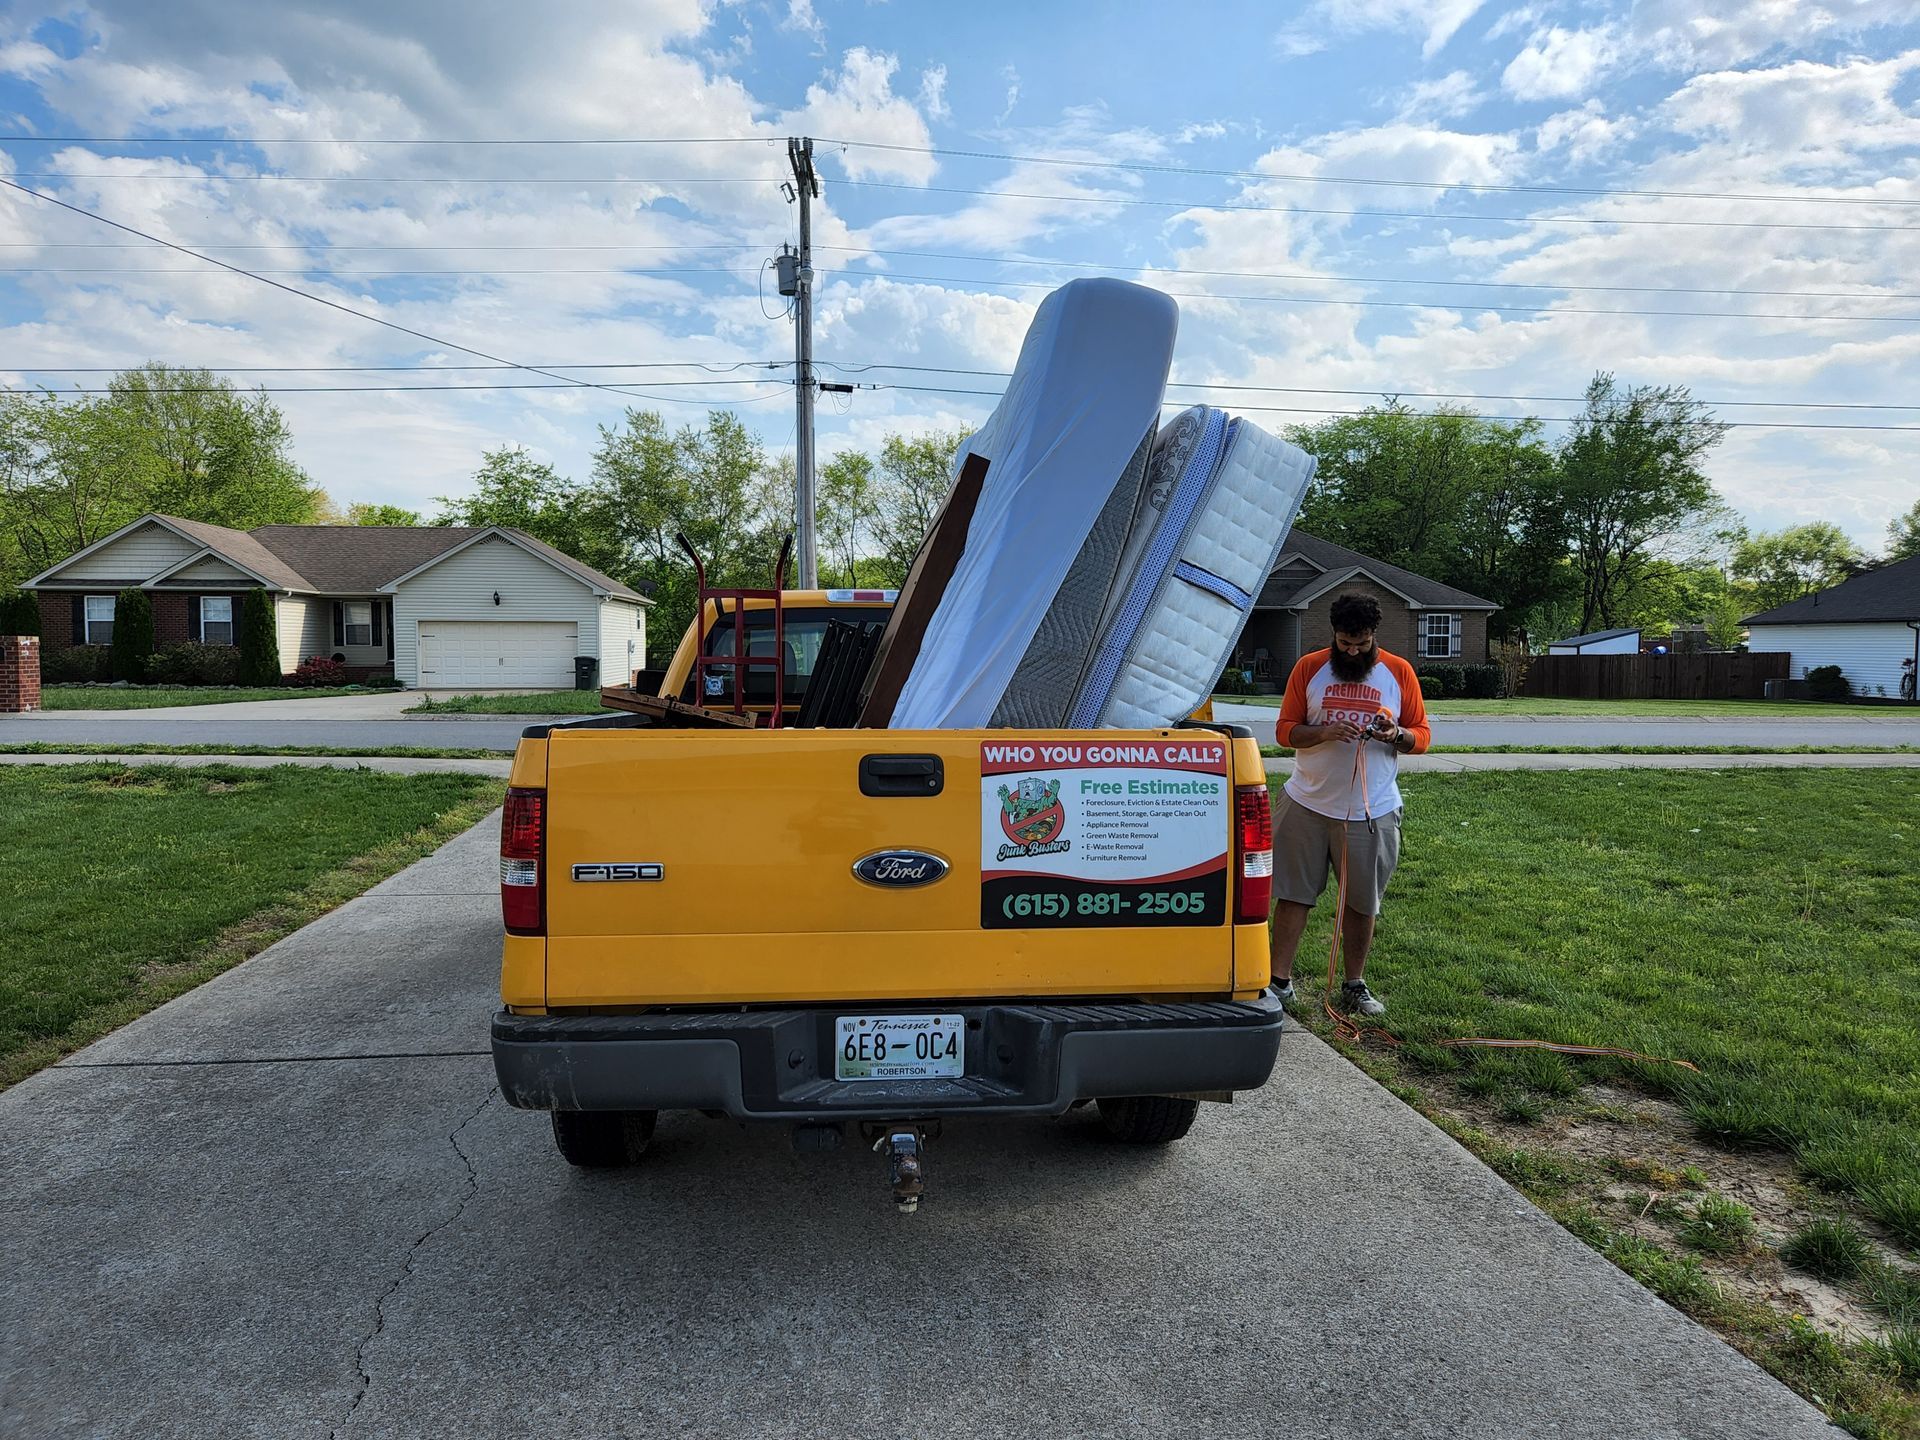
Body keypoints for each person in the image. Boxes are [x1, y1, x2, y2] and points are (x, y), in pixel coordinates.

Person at [1268, 593, 1431, 1016]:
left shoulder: (1398, 671)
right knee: (1293, 897)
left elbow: (1422, 737)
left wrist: (1394, 734)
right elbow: (1285, 731)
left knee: (1362, 902)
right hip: (1306, 803)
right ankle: (1278, 983)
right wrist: (1321, 733)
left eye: (1361, 643)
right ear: (1334, 635)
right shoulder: (1309, 668)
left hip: (1371, 811)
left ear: (1374, 635)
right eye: (1345, 643)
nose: (1353, 651)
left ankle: (1354, 985)